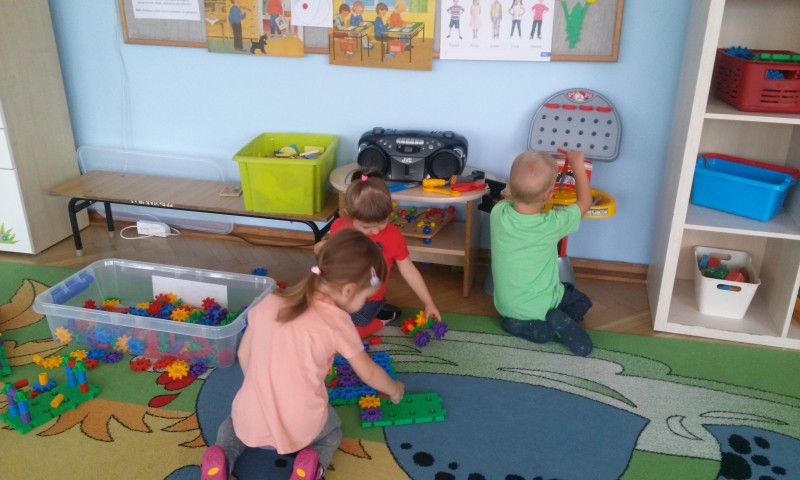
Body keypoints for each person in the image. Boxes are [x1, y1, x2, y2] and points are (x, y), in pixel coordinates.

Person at [200, 229, 406, 480]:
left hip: (252, 419)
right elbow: (370, 373)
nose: (365, 304)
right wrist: (394, 389)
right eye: (365, 297)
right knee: (332, 430)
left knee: (233, 422)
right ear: (348, 290)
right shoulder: (338, 322)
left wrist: (263, 386)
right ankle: (309, 467)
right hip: (300, 427)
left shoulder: (269, 301)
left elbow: (244, 354)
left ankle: (222, 458)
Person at [490, 150, 593, 356]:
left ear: (509, 187)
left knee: (532, 299)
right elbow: (585, 202)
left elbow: (507, 200)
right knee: (581, 300)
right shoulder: (552, 225)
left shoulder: (498, 214)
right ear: (549, 196)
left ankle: (520, 324)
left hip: (506, 306)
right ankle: (557, 324)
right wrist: (577, 165)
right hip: (544, 306)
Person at [316, 170, 442, 338]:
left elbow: (409, 271)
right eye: (366, 227)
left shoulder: (393, 236)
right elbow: (330, 260)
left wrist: (428, 302)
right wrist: (320, 249)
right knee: (321, 321)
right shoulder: (339, 226)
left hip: (369, 298)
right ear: (348, 213)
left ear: (390, 213)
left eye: (382, 223)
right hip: (338, 293)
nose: (375, 231)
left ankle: (382, 318)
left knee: (349, 333)